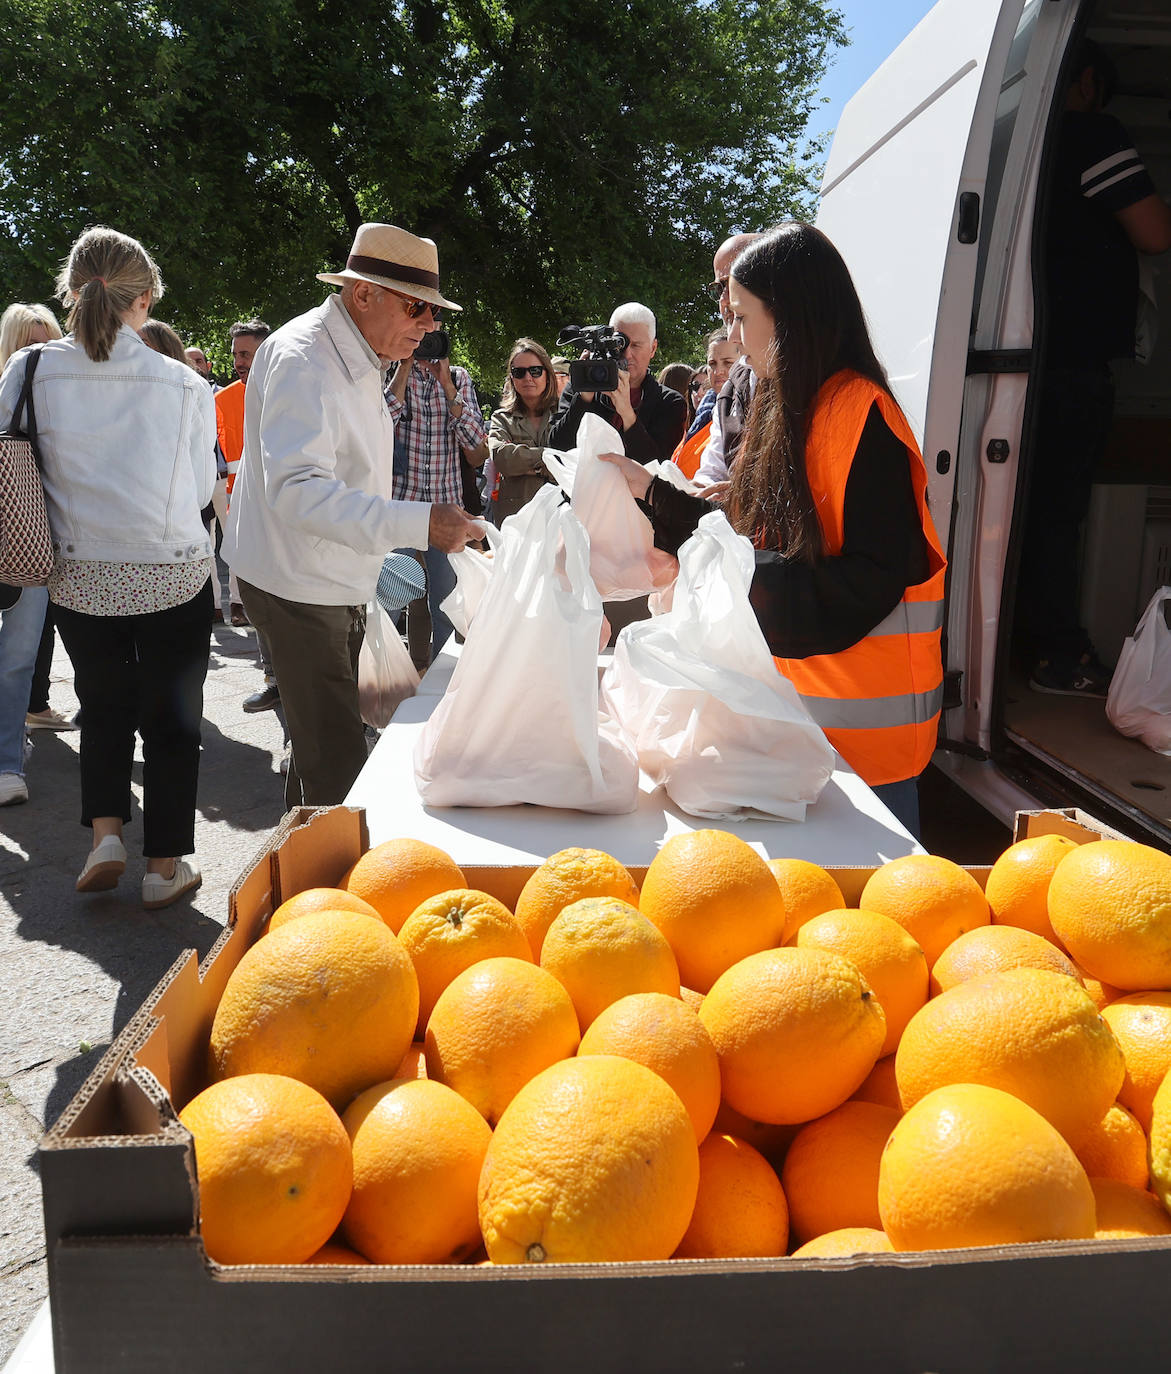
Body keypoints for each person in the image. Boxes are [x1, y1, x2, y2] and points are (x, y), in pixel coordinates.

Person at [601, 222, 947, 837]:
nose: (732, 336)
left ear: (789, 317)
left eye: (740, 317)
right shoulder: (792, 403)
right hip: (798, 737)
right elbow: (748, 537)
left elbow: (862, 583)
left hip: (868, 758)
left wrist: (712, 572)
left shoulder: (862, 415)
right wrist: (657, 501)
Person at [222, 221, 480, 808]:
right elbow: (300, 491)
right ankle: (329, 887)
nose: (430, 324)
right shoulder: (303, 358)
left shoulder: (352, 351)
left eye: (435, 312)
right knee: (337, 760)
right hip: (300, 585)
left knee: (321, 748)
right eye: (419, 308)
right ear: (364, 294)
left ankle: (302, 866)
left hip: (325, 578)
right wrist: (419, 523)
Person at [0, 227, 216, 903]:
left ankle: (105, 837)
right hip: (170, 567)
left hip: (78, 570)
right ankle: (164, 870)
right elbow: (200, 489)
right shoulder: (183, 381)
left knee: (101, 707)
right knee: (173, 719)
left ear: (69, 292)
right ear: (144, 298)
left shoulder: (29, 369)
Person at [1018, 39, 1171, 697]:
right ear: (1084, 83)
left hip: (1028, 359)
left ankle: (1025, 644)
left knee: (1029, 512)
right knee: (1058, 513)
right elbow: (1153, 231)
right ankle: (1058, 654)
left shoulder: (1021, 160)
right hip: (1072, 363)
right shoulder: (1089, 133)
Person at [384, 335, 488, 665]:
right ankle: (381, 679)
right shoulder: (389, 373)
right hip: (400, 506)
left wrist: (447, 385)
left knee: (446, 605)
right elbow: (381, 424)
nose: (427, 343)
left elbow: (476, 442)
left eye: (435, 336)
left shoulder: (458, 377)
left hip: (446, 507)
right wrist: (404, 368)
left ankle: (443, 685)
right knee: (387, 600)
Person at [0, 304, 75, 753]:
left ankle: (8, 758)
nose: (42, 352)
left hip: (34, 540)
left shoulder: (64, 398)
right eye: (31, 344)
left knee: (20, 656)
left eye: (49, 342)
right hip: (16, 527)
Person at [547, 303, 686, 462]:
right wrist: (584, 397)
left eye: (635, 345)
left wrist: (627, 414)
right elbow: (558, 449)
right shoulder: (580, 387)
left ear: (653, 348)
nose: (627, 354)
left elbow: (657, 465)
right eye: (619, 344)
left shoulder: (669, 402)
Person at [215, 319, 271, 629]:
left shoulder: (289, 390)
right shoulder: (222, 399)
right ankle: (239, 603)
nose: (238, 362)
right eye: (236, 354)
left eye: (246, 355)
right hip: (236, 493)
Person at [696, 232, 761, 492]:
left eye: (732, 281)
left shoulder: (810, 383)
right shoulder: (731, 391)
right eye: (717, 289)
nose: (725, 299)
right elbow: (712, 471)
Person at [487, 338, 560, 523]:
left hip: (559, 516)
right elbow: (503, 458)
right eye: (519, 372)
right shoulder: (501, 418)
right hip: (516, 519)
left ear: (547, 374)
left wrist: (525, 463)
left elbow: (572, 460)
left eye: (535, 371)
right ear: (512, 377)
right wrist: (548, 459)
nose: (528, 378)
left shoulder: (564, 414)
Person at [670, 328, 739, 481]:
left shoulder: (745, 412)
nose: (718, 371)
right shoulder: (704, 415)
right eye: (712, 363)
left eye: (728, 363)